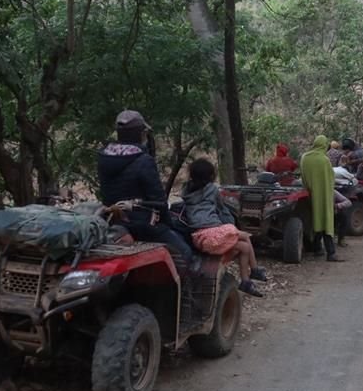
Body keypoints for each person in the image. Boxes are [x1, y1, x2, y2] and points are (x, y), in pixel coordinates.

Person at [97, 110, 192, 261]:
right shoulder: (143, 160)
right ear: (140, 134)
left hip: (113, 220)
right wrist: (169, 226)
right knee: (186, 253)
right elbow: (159, 201)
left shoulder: (103, 157)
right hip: (142, 225)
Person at [181, 158, 267, 297]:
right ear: (210, 176)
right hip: (211, 233)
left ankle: (246, 281)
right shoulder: (212, 190)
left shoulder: (186, 192)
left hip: (201, 237)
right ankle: (255, 270)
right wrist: (230, 224)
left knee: (244, 246)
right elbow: (222, 210)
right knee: (244, 235)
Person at [300, 136, 342, 261]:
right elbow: (330, 178)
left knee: (314, 221)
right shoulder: (324, 160)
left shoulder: (304, 158)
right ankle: (331, 253)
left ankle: (317, 248)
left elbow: (303, 177)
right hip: (323, 196)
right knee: (325, 222)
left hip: (307, 196)